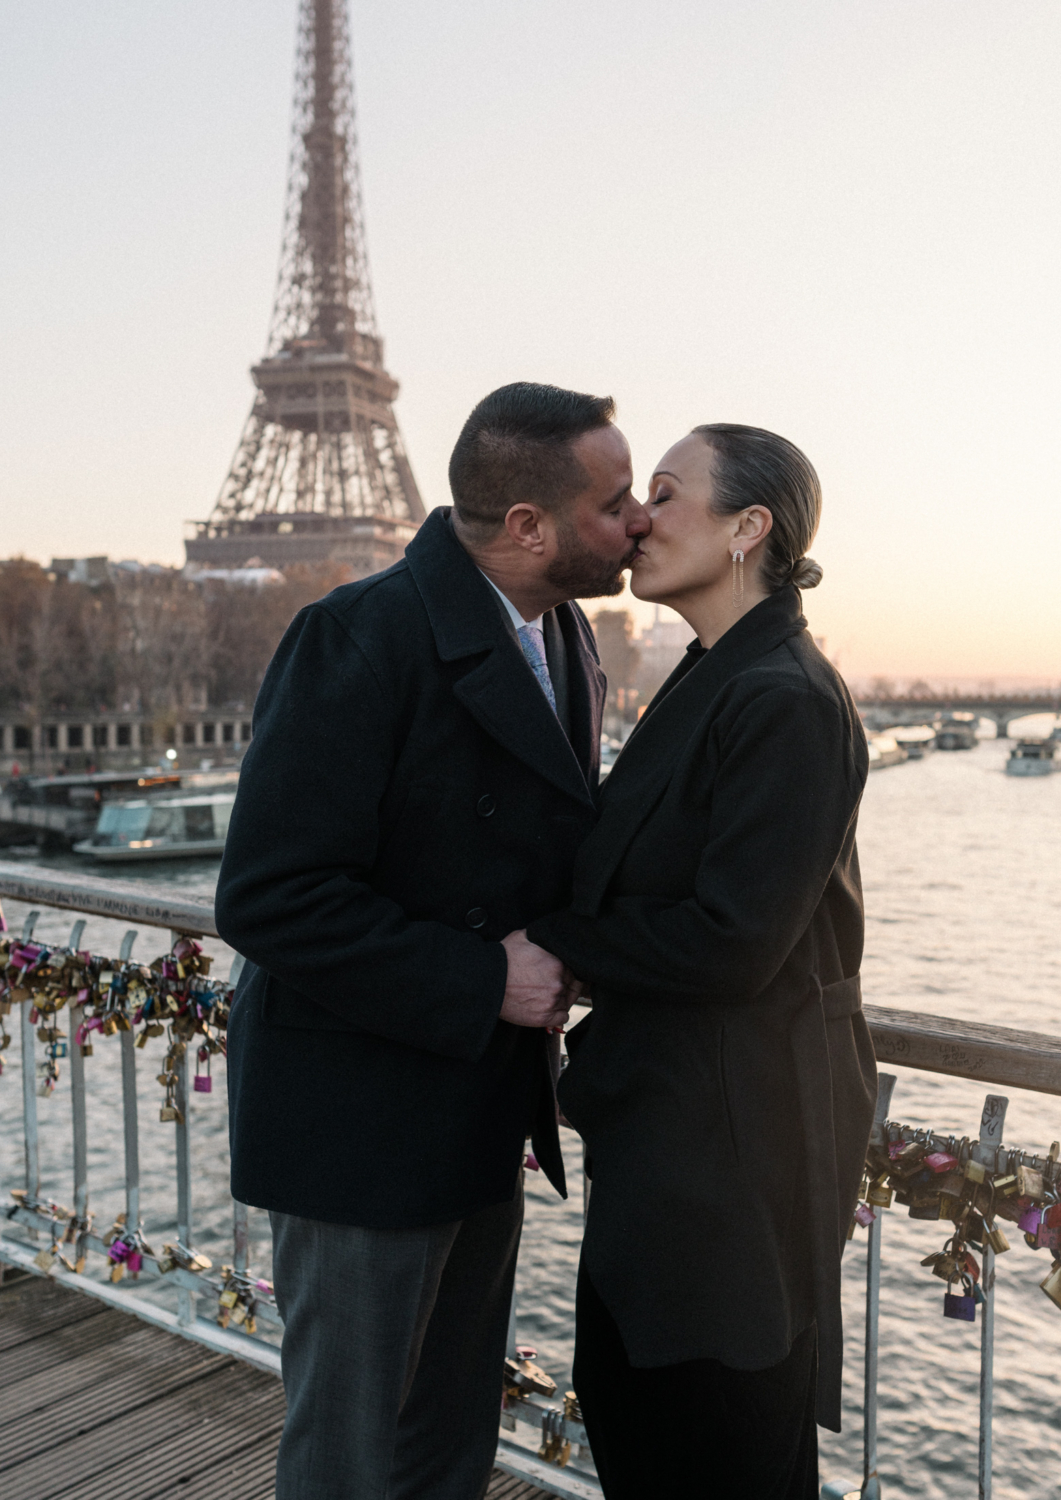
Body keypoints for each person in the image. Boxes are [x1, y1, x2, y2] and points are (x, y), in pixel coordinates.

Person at [215, 382, 650, 1500]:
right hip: (358, 1114)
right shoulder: (354, 636)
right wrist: (482, 975)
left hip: (473, 1096)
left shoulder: (565, 637)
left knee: (449, 1435)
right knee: (351, 1454)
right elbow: (267, 895)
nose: (637, 521)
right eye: (612, 504)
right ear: (525, 528)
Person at [528, 423, 877, 1500]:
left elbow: (733, 941)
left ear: (746, 530)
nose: (637, 517)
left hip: (732, 1157)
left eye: (666, 495)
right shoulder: (720, 674)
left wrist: (552, 948)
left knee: (709, 1443)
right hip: (677, 1132)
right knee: (649, 1425)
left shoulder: (783, 697)